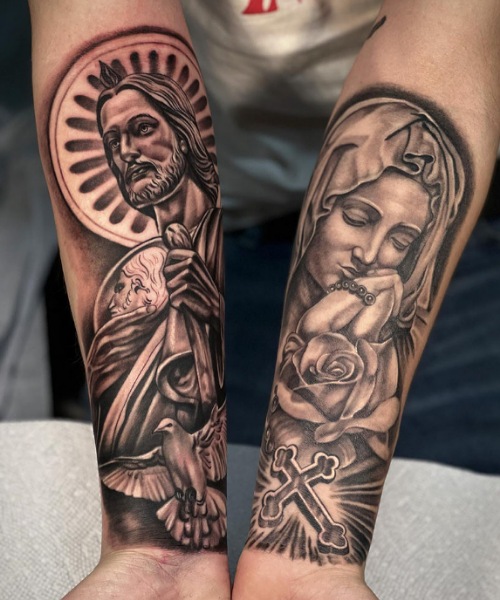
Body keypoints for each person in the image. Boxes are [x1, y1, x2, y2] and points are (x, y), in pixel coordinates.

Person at [28, 0, 500, 599]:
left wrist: (311, 564)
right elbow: (103, 19)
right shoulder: (140, 280)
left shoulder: (389, 255)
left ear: (178, 130)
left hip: (440, 278)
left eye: (142, 129)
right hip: (242, 241)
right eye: (112, 139)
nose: (125, 153)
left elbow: (439, 48)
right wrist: (159, 556)